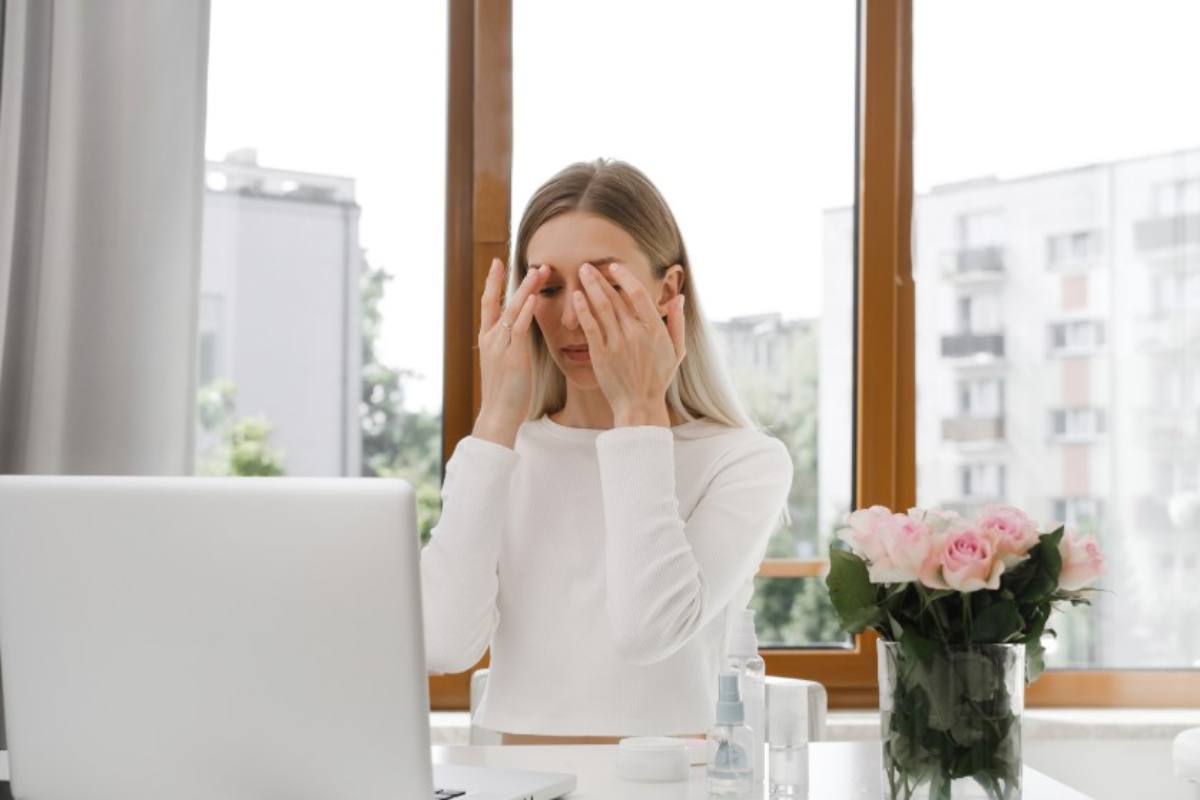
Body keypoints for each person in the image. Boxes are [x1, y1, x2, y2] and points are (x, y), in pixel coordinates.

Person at [420, 158, 793, 743]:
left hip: (673, 785)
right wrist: (495, 420)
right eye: (549, 286)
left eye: (605, 285)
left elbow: (650, 632)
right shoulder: (502, 453)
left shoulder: (743, 462)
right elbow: (442, 643)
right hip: (511, 780)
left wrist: (640, 413)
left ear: (668, 291)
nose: (573, 315)